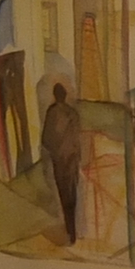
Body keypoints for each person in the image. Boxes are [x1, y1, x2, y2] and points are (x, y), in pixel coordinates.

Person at [40, 83, 83, 240]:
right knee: (72, 191)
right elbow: (77, 137)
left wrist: (54, 150)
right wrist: (76, 153)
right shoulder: (73, 113)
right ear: (65, 95)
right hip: (72, 158)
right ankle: (72, 229)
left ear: (55, 95)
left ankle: (69, 229)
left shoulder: (52, 112)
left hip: (59, 159)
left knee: (63, 192)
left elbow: (45, 139)